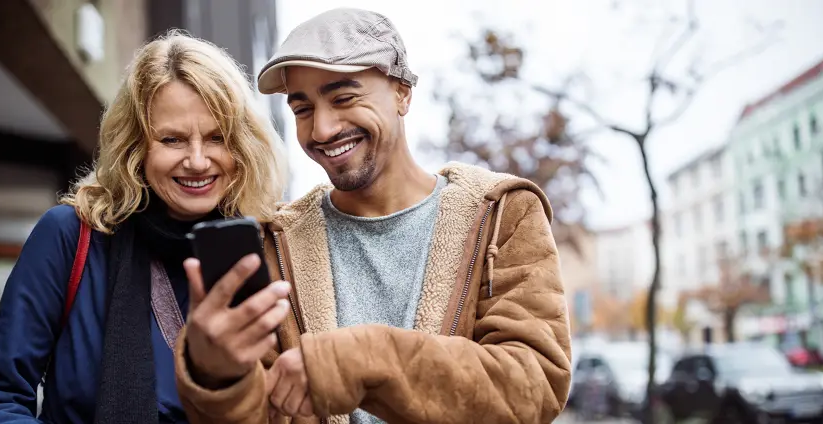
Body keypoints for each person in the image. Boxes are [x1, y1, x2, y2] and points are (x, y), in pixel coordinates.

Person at [173, 7, 572, 424]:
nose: (322, 130)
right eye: (302, 109)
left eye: (343, 98)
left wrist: (357, 360)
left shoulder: (502, 212)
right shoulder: (274, 242)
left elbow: (533, 385)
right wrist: (216, 375)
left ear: (402, 92)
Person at [0, 31, 291, 424]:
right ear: (136, 146)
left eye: (217, 137)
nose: (198, 160)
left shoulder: (269, 245)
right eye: (173, 139)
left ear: (241, 144)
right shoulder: (71, 235)